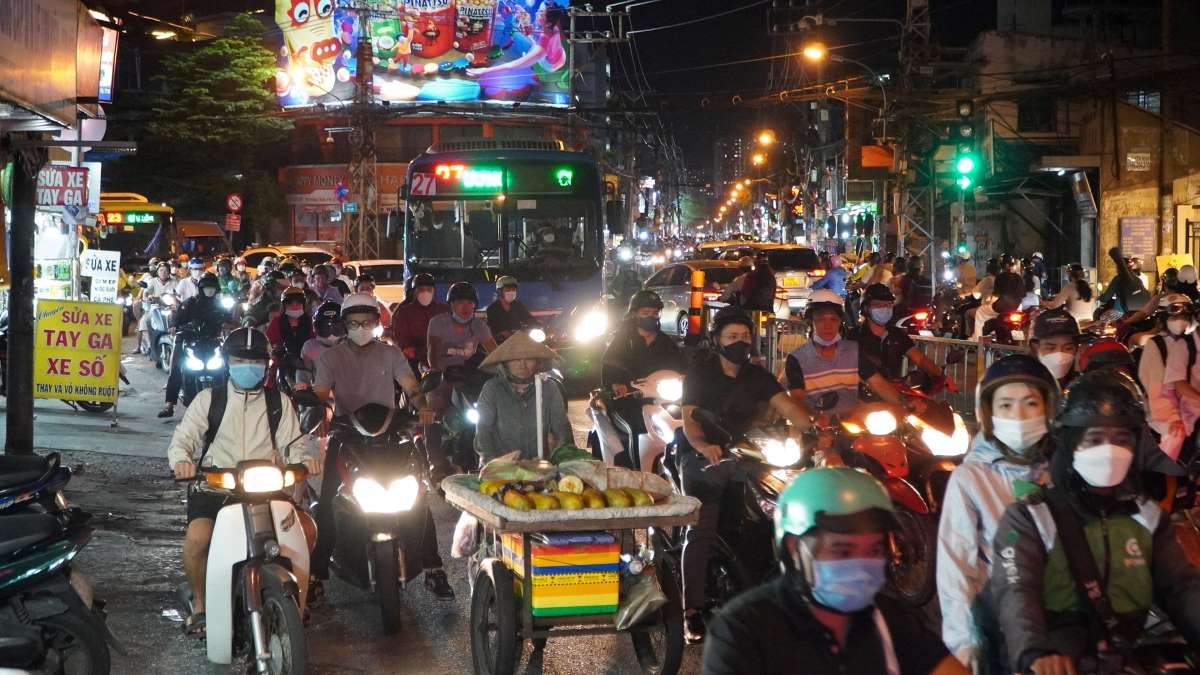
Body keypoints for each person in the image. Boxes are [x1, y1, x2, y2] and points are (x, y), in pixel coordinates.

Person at [990, 372, 1200, 674]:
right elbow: (1016, 590)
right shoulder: (1031, 516)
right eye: (1095, 439)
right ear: (1071, 443)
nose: (1109, 450)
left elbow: (1181, 586)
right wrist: (1035, 652)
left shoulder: (1147, 515)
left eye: (1121, 440)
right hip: (1057, 659)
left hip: (1128, 653)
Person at [704, 468, 968, 675]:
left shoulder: (887, 619)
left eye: (874, 550)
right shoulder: (744, 630)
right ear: (796, 548)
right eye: (843, 551)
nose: (862, 565)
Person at [167, 327, 321, 635]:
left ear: (266, 365)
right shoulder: (209, 399)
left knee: (306, 529)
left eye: (255, 361)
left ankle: (300, 598)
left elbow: (294, 443)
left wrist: (305, 460)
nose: (247, 366)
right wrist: (181, 461)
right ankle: (201, 605)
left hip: (266, 486)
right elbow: (183, 439)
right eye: (240, 360)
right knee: (198, 538)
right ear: (228, 362)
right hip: (216, 485)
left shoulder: (279, 402)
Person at [678, 307, 812, 643]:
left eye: (745, 336)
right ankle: (691, 609)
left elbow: (789, 408)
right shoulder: (700, 374)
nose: (740, 342)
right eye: (732, 336)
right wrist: (703, 446)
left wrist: (816, 430)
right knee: (702, 526)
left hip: (751, 454)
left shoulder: (758, 376)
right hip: (705, 456)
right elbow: (691, 421)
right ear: (717, 341)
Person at [310, 293, 452, 599]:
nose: (361, 328)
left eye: (367, 322)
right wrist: (321, 416)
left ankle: (433, 568)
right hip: (347, 435)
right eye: (354, 323)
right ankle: (316, 574)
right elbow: (321, 397)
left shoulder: (391, 354)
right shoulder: (330, 359)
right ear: (344, 325)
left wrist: (423, 408)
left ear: (377, 322)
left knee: (418, 496)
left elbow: (412, 387)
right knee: (328, 500)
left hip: (390, 434)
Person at [937, 355, 1058, 673]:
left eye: (1030, 403)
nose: (1018, 416)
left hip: (1063, 624)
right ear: (989, 413)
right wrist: (966, 644)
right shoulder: (971, 478)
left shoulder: (1063, 470)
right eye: (1005, 405)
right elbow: (956, 565)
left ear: (1048, 408)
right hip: (1000, 625)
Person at [597, 290, 685, 467]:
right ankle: (634, 471)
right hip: (628, 401)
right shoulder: (622, 340)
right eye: (646, 313)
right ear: (634, 314)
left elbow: (680, 368)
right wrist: (617, 385)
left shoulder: (666, 342)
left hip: (661, 399)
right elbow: (609, 368)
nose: (651, 317)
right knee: (635, 429)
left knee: (682, 426)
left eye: (654, 313)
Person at [785, 289, 905, 418]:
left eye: (833, 319)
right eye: (820, 319)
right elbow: (798, 399)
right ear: (810, 323)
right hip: (819, 423)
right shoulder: (797, 359)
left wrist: (904, 405)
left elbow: (878, 383)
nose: (828, 326)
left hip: (853, 419)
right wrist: (817, 417)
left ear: (840, 323)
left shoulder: (852, 352)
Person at [474, 332, 572, 463]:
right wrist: (491, 462)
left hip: (540, 465)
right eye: (515, 360)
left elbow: (562, 427)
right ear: (506, 364)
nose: (522, 365)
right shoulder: (493, 388)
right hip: (504, 466)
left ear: (538, 362)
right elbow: (483, 429)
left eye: (529, 359)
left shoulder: (549, 387)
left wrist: (564, 459)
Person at [159, 273, 231, 418]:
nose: (209, 290)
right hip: (188, 340)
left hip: (211, 342)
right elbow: (176, 319)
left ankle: (231, 401)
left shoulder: (220, 305)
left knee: (228, 367)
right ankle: (169, 404)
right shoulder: (190, 303)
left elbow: (229, 320)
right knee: (176, 368)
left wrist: (230, 325)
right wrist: (174, 326)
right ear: (201, 288)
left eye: (212, 287)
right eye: (207, 287)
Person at [850, 283, 949, 385]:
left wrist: (942, 377)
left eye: (888, 304)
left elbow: (920, 359)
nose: (884, 308)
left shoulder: (897, 335)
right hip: (863, 392)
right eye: (878, 305)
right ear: (866, 308)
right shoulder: (853, 337)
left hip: (895, 391)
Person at [1136, 293, 1191, 456]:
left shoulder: (1191, 343)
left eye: (1184, 316)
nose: (1180, 320)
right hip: (1163, 410)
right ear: (1163, 319)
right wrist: (1174, 418)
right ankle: (1166, 469)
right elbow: (1157, 390)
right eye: (1175, 317)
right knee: (1175, 435)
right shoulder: (1155, 345)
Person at [391, 273, 449, 372]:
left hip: (442, 358)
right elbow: (400, 337)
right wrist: (409, 349)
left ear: (434, 291)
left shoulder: (444, 310)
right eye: (421, 289)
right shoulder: (405, 312)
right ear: (414, 292)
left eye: (429, 289)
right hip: (415, 360)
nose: (425, 292)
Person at [1028, 308, 1081, 389]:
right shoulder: (1023, 385)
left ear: (1076, 348)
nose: (1059, 356)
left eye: (1068, 348)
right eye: (1050, 348)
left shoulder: (1082, 387)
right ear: (1035, 348)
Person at [299, 301, 343, 386]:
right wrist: (302, 388)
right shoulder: (310, 347)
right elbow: (303, 373)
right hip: (321, 391)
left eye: (336, 327)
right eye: (325, 327)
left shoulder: (351, 345)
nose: (331, 332)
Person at [139, 261, 177, 358]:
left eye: (165, 270)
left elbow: (180, 293)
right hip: (155, 307)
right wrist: (147, 297)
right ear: (157, 272)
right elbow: (146, 292)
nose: (163, 272)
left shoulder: (175, 282)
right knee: (145, 321)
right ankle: (149, 345)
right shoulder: (152, 281)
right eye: (161, 270)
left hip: (171, 308)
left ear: (169, 272)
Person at [1097, 246, 1150, 315]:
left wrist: (1097, 297)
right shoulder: (1137, 279)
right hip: (1140, 312)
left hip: (1122, 313)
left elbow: (1106, 297)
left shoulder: (1118, 279)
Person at [484, 275, 537, 343]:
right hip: (501, 344)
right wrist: (501, 334)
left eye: (513, 290)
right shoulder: (492, 309)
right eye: (508, 290)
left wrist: (537, 326)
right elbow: (491, 329)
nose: (511, 292)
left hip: (519, 341)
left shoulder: (518, 306)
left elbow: (529, 319)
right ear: (500, 291)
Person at [266, 288, 313, 362]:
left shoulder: (311, 321)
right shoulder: (276, 322)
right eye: (289, 302)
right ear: (284, 305)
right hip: (282, 363)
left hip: (308, 362)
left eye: (299, 302)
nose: (294, 306)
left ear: (304, 304)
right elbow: (268, 344)